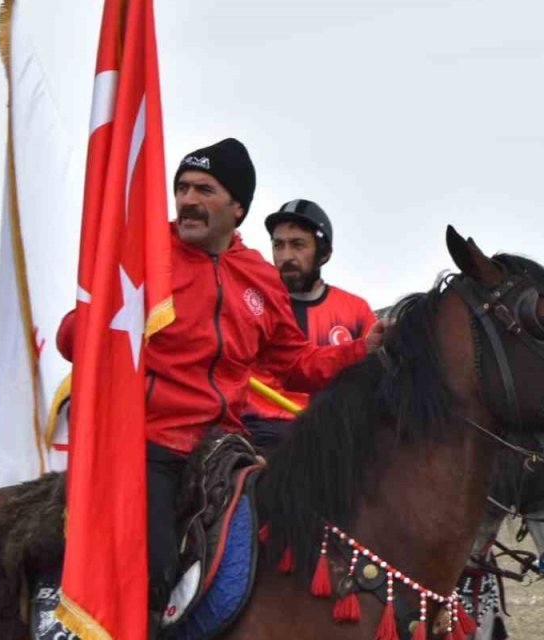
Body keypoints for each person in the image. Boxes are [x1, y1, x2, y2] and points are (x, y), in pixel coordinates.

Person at [57, 138, 379, 628]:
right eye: (182, 188)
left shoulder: (260, 278)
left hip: (223, 449)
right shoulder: (143, 255)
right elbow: (70, 339)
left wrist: (364, 349)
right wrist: (103, 310)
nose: (187, 199)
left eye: (204, 189)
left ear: (238, 208)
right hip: (147, 442)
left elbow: (295, 363)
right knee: (154, 573)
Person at [243, 199, 375, 454]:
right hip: (262, 437)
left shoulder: (356, 310)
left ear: (323, 253)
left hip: (337, 439)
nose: (285, 256)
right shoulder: (255, 305)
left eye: (298, 245)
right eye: (278, 245)